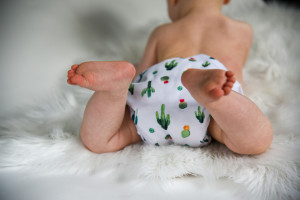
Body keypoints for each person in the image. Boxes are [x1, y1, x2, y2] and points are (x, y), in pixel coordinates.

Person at [67, 0, 273, 155]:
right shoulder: (241, 30)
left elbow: (142, 74)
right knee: (257, 140)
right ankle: (215, 97)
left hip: (159, 88)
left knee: (100, 141)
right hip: (207, 104)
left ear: (173, 1)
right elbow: (239, 69)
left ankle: (114, 90)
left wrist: (132, 81)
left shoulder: (162, 31)